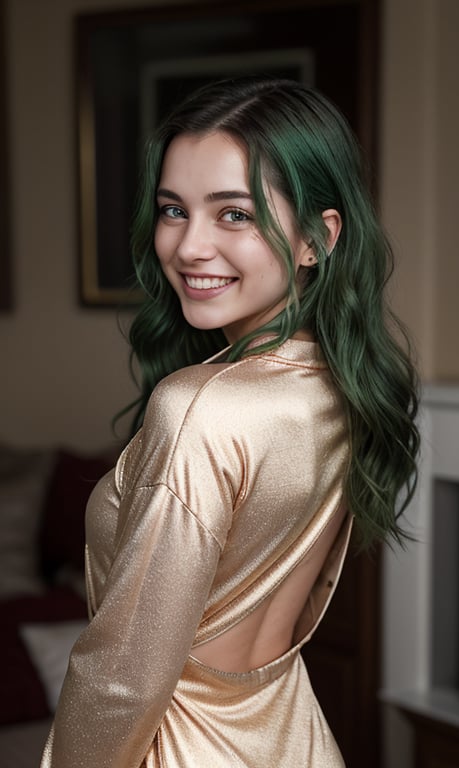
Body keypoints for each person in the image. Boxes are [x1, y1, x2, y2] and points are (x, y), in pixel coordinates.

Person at [41, 76, 419, 767]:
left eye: (234, 214)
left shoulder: (200, 408)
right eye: (173, 209)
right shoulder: (339, 386)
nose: (188, 247)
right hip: (289, 737)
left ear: (316, 240)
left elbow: (125, 679)